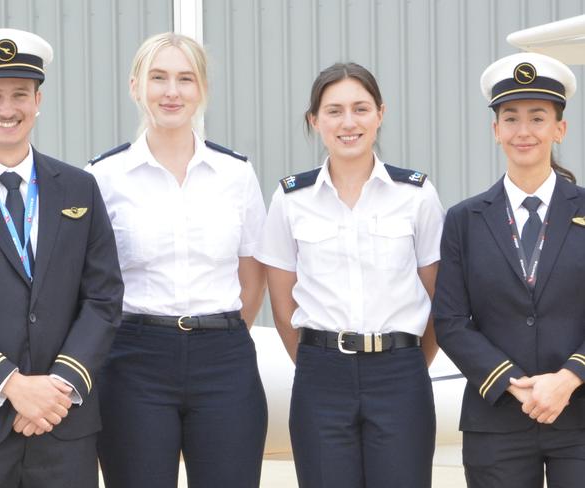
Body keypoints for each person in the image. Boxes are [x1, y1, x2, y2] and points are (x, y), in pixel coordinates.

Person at [0, 28, 124, 488]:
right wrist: (13, 387)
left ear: (38, 100)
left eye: (20, 94)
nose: (7, 108)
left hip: (64, 429)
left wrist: (57, 389)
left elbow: (103, 297)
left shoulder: (79, 188)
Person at [86, 32, 268, 488]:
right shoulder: (103, 178)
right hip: (134, 360)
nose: (172, 91)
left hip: (224, 357)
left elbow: (252, 270)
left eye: (185, 79)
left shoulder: (235, 173)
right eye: (158, 77)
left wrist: (220, 335)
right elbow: (91, 282)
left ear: (202, 89)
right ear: (135, 87)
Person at [255, 62, 445, 488]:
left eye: (360, 109)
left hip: (400, 374)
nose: (348, 122)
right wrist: (319, 361)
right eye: (334, 110)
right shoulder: (290, 199)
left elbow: (439, 299)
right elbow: (284, 309)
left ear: (380, 114)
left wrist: (409, 360)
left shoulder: (416, 195)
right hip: (321, 376)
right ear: (315, 120)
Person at [433, 52, 585, 487]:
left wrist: (569, 377)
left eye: (538, 118)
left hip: (579, 417)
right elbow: (450, 321)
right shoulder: (465, 219)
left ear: (560, 129)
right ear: (495, 130)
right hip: (497, 416)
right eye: (510, 118)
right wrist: (515, 383)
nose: (524, 131)